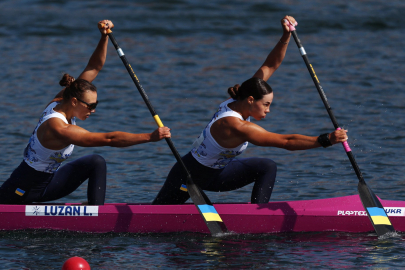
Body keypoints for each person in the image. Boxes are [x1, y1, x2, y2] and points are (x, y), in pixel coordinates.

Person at [152, 15, 348, 205]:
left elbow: (270, 65)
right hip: (188, 176)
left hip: (218, 174)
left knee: (266, 166)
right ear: (251, 100)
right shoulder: (235, 125)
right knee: (155, 221)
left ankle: (258, 215)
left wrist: (286, 35)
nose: (268, 110)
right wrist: (326, 140)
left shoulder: (238, 99)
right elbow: (286, 142)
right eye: (266, 104)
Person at [0, 20, 171, 206]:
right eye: (90, 106)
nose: (93, 110)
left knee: (96, 162)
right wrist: (149, 137)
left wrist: (104, 37)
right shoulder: (58, 127)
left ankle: (95, 212)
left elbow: (94, 67)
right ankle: (96, 219)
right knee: (97, 159)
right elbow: (109, 139)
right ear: (74, 101)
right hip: (23, 190)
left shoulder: (63, 100)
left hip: (47, 182)